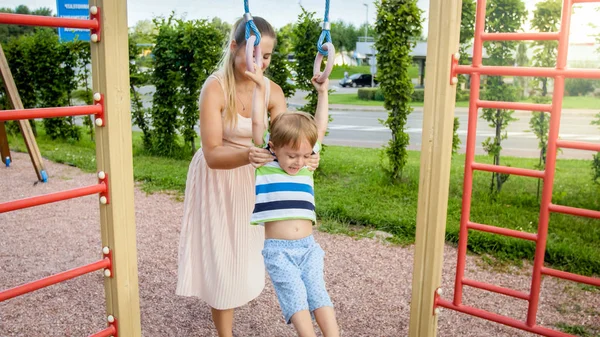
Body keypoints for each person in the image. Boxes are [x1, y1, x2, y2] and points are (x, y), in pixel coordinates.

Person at [176, 16, 320, 337]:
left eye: (266, 56)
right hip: (218, 178)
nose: (260, 62)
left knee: (247, 257)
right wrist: (246, 155)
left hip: (254, 181)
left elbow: (284, 141)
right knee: (222, 258)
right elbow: (213, 153)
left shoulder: (272, 91)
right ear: (233, 47)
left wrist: (307, 154)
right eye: (254, 53)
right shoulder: (215, 89)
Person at [244, 61, 339, 337]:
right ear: (273, 147)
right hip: (279, 251)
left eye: (305, 154)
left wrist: (322, 93)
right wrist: (261, 87)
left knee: (319, 295)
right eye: (292, 156)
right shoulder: (267, 160)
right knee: (296, 300)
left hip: (309, 248)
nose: (298, 161)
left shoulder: (307, 161)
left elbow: (318, 128)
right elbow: (257, 122)